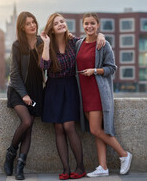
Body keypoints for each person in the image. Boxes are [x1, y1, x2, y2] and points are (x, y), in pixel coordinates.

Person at [39, 13, 105, 180]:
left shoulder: (74, 42)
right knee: (59, 129)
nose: (61, 24)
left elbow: (90, 39)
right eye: (56, 23)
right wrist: (46, 43)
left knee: (69, 126)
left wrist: (101, 35)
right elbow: (44, 65)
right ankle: (66, 168)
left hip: (70, 87)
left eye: (62, 21)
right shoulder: (47, 45)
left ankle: (80, 166)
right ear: (52, 29)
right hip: (53, 88)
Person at [75, 13, 132, 177]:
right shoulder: (79, 44)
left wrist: (95, 71)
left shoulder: (104, 44)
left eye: (92, 23)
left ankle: (124, 154)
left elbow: (112, 68)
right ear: (83, 25)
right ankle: (103, 167)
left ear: (98, 25)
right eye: (86, 23)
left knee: (95, 129)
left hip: (97, 93)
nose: (89, 26)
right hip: (83, 94)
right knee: (97, 130)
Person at [4, 11, 44, 180]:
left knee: (29, 128)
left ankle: (20, 166)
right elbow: (14, 74)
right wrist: (24, 94)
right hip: (18, 90)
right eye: (28, 23)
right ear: (22, 27)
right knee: (26, 121)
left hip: (36, 90)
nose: (32, 25)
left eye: (33, 21)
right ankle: (10, 153)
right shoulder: (17, 45)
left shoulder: (43, 42)